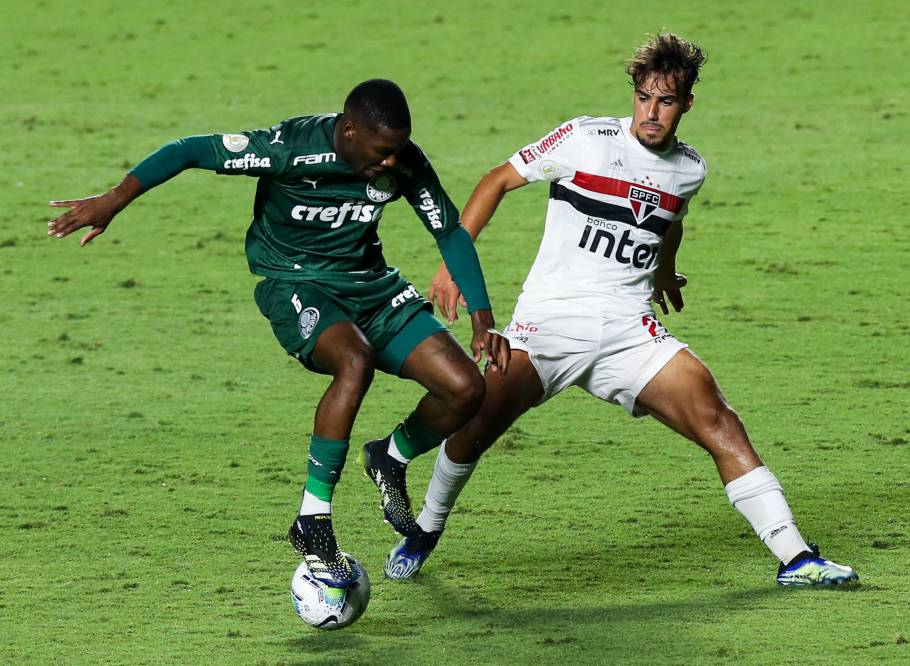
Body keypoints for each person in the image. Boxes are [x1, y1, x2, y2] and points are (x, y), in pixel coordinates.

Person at [383, 36, 858, 587]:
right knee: (475, 427)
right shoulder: (585, 138)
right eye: (643, 98)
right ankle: (424, 530)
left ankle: (796, 559)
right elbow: (499, 179)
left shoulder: (689, 169)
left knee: (719, 421)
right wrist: (455, 259)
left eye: (666, 102)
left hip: (630, 332)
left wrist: (663, 269)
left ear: (687, 105)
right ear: (633, 96)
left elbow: (670, 218)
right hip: (549, 326)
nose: (651, 113)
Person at [47, 79, 510, 591]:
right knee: (353, 360)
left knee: (466, 389)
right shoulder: (290, 149)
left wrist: (482, 318)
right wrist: (115, 200)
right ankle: (312, 519)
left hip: (371, 287)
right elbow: (189, 150)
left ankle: (390, 456)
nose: (392, 162)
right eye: (382, 151)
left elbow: (447, 230)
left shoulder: (403, 161)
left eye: (399, 149)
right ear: (349, 130)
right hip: (296, 283)